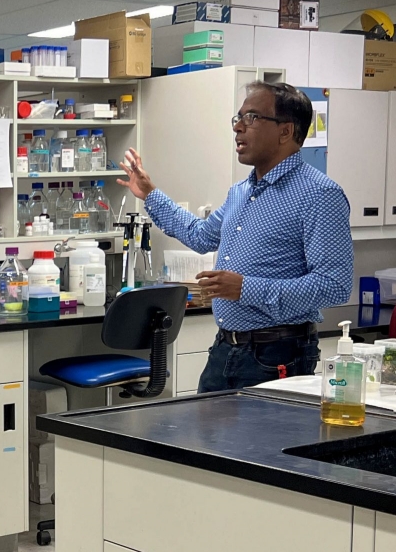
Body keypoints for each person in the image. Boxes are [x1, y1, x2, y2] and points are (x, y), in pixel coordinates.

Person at [118, 81, 353, 392]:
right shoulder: (242, 192)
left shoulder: (319, 195)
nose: (239, 128)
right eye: (238, 118)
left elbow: (334, 285)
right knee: (203, 441)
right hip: (226, 347)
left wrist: (246, 289)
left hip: (279, 353)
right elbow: (200, 235)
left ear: (285, 131)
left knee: (257, 442)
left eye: (252, 118)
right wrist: (150, 194)